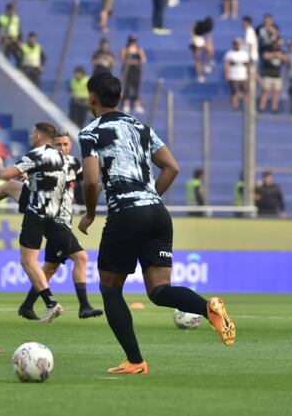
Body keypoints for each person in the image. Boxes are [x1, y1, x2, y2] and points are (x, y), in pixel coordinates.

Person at [78, 72, 235, 375]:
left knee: (110, 289)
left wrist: (90, 213)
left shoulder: (91, 133)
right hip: (158, 213)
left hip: (125, 214)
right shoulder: (141, 127)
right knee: (159, 289)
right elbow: (171, 167)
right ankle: (207, 307)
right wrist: (149, 197)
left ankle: (136, 361)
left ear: (92, 98)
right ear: (119, 97)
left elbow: (91, 179)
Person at [0, 131, 103, 320]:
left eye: (65, 144)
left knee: (50, 267)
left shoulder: (73, 164)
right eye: (59, 144)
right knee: (81, 257)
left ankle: (27, 305)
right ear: (52, 146)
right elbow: (27, 181)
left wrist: (96, 190)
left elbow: (87, 184)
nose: (62, 148)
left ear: (70, 146)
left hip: (64, 220)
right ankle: (84, 305)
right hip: (54, 219)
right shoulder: (45, 163)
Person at [0, 122, 66, 323]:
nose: (30, 136)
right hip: (53, 212)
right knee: (11, 186)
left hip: (35, 212)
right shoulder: (58, 155)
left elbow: (4, 174)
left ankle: (50, 302)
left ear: (41, 136)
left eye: (33, 133)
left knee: (27, 261)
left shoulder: (36, 154)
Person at [259, 37, 286, 113]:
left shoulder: (282, 51)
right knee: (265, 91)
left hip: (277, 75)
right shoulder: (269, 49)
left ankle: (274, 108)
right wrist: (274, 54)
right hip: (268, 74)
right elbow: (265, 56)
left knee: (276, 93)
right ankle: (262, 107)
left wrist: (279, 56)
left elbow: (286, 59)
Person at [120, 35, 146, 113]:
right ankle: (126, 105)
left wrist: (139, 52)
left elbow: (143, 60)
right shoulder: (125, 49)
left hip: (136, 71)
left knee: (136, 88)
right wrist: (133, 61)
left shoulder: (139, 49)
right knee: (127, 87)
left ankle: (137, 105)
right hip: (128, 71)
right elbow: (124, 59)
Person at [223, 37, 250, 111]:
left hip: (243, 76)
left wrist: (248, 74)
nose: (236, 45)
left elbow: (247, 65)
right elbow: (227, 64)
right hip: (234, 76)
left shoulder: (244, 54)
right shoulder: (229, 54)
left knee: (246, 92)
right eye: (235, 44)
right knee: (234, 92)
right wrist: (227, 74)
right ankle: (236, 106)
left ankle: (246, 106)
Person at [190, 16, 214, 82]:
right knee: (198, 60)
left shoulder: (209, 29)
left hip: (201, 40)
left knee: (210, 50)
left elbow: (209, 38)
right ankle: (200, 76)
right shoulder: (199, 24)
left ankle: (207, 64)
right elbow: (192, 28)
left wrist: (209, 45)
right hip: (196, 40)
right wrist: (193, 37)